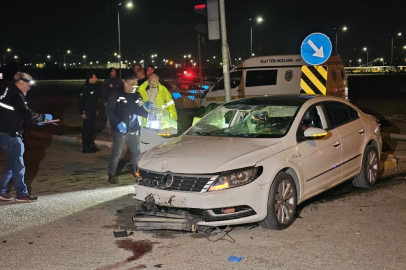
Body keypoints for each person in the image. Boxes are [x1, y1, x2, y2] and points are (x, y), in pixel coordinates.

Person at [0, 72, 53, 202]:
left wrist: (36, 121)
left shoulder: (9, 92)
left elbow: (18, 114)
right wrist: (43, 117)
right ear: (21, 82)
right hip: (12, 135)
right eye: (29, 83)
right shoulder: (15, 95)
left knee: (13, 163)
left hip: (6, 132)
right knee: (18, 165)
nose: (30, 86)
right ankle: (21, 194)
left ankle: (1, 191)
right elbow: (25, 113)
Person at [106, 76, 152, 184]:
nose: (134, 87)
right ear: (125, 83)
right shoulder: (116, 94)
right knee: (117, 153)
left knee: (136, 153)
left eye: (136, 84)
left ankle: (137, 173)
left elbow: (138, 109)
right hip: (121, 130)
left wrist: (148, 112)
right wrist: (118, 122)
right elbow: (110, 110)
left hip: (134, 129)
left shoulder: (136, 95)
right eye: (132, 84)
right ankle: (112, 174)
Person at [78, 73, 100, 153]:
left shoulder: (94, 87)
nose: (96, 79)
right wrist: (83, 112)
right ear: (90, 79)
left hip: (93, 111)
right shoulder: (85, 88)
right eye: (95, 77)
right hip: (87, 111)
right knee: (86, 129)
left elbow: (94, 101)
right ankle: (85, 146)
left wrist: (96, 110)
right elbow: (81, 101)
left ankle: (91, 144)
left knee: (91, 128)